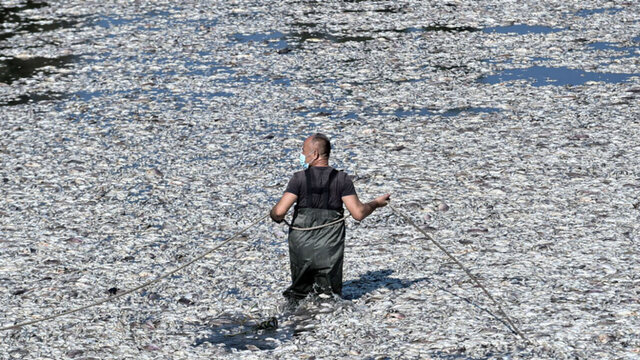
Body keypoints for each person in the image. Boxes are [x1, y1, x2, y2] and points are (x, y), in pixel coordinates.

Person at [270, 133, 390, 302]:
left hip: (301, 247)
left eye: (304, 151)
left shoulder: (298, 178)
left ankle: (294, 325)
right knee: (329, 298)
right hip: (329, 248)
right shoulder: (342, 179)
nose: (302, 156)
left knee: (299, 296)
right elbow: (358, 213)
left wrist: (273, 214)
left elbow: (280, 212)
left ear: (315, 154)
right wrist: (376, 203)